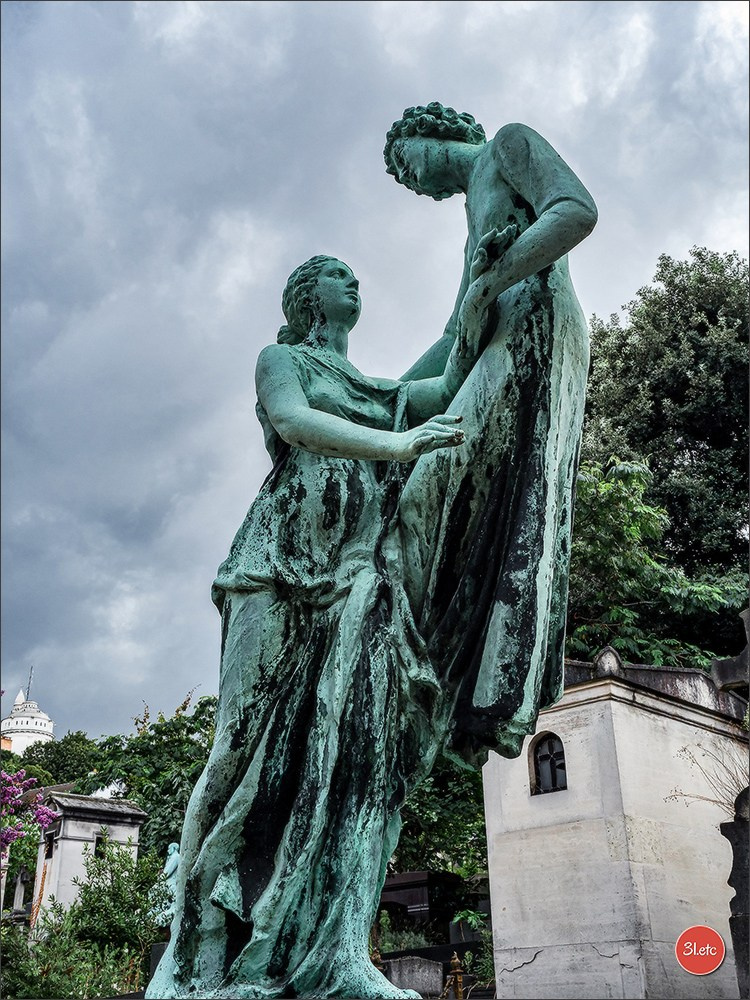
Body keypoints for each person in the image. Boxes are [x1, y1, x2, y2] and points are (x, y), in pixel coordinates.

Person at [147, 252, 505, 1000]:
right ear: (308, 298)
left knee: (339, 758)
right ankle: (194, 944)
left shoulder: (372, 388)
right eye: (337, 276)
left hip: (355, 574)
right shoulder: (283, 360)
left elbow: (441, 373)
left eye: (356, 277)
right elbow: (294, 422)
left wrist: (488, 283)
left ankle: (323, 947)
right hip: (276, 564)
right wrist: (398, 445)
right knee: (240, 750)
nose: (354, 283)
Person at [384, 103, 597, 763]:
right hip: (498, 338)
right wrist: (381, 395)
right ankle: (427, 669)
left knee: (443, 488)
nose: (409, 180)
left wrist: (495, 280)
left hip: (534, 329)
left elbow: (575, 211)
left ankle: (446, 673)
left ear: (430, 132)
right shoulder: (472, 208)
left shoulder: (507, 144)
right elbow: (455, 337)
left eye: (402, 162)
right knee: (429, 491)